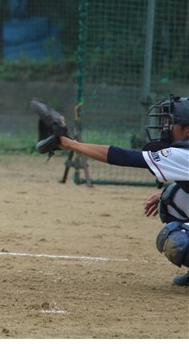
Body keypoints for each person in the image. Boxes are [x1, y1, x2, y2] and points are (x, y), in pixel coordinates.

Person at [54, 94, 189, 287]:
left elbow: (125, 157)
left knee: (177, 238)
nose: (164, 127)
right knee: (170, 199)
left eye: (171, 123)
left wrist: (71, 144)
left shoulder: (182, 154)